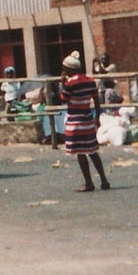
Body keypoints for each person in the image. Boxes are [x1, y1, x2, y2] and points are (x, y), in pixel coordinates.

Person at [56, 53, 111, 192]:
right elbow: (97, 101)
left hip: (75, 121)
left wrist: (63, 84)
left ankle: (89, 182)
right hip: (87, 119)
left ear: (69, 69)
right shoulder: (90, 81)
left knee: (80, 153)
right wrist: (97, 118)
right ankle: (104, 180)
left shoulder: (70, 83)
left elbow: (64, 98)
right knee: (93, 151)